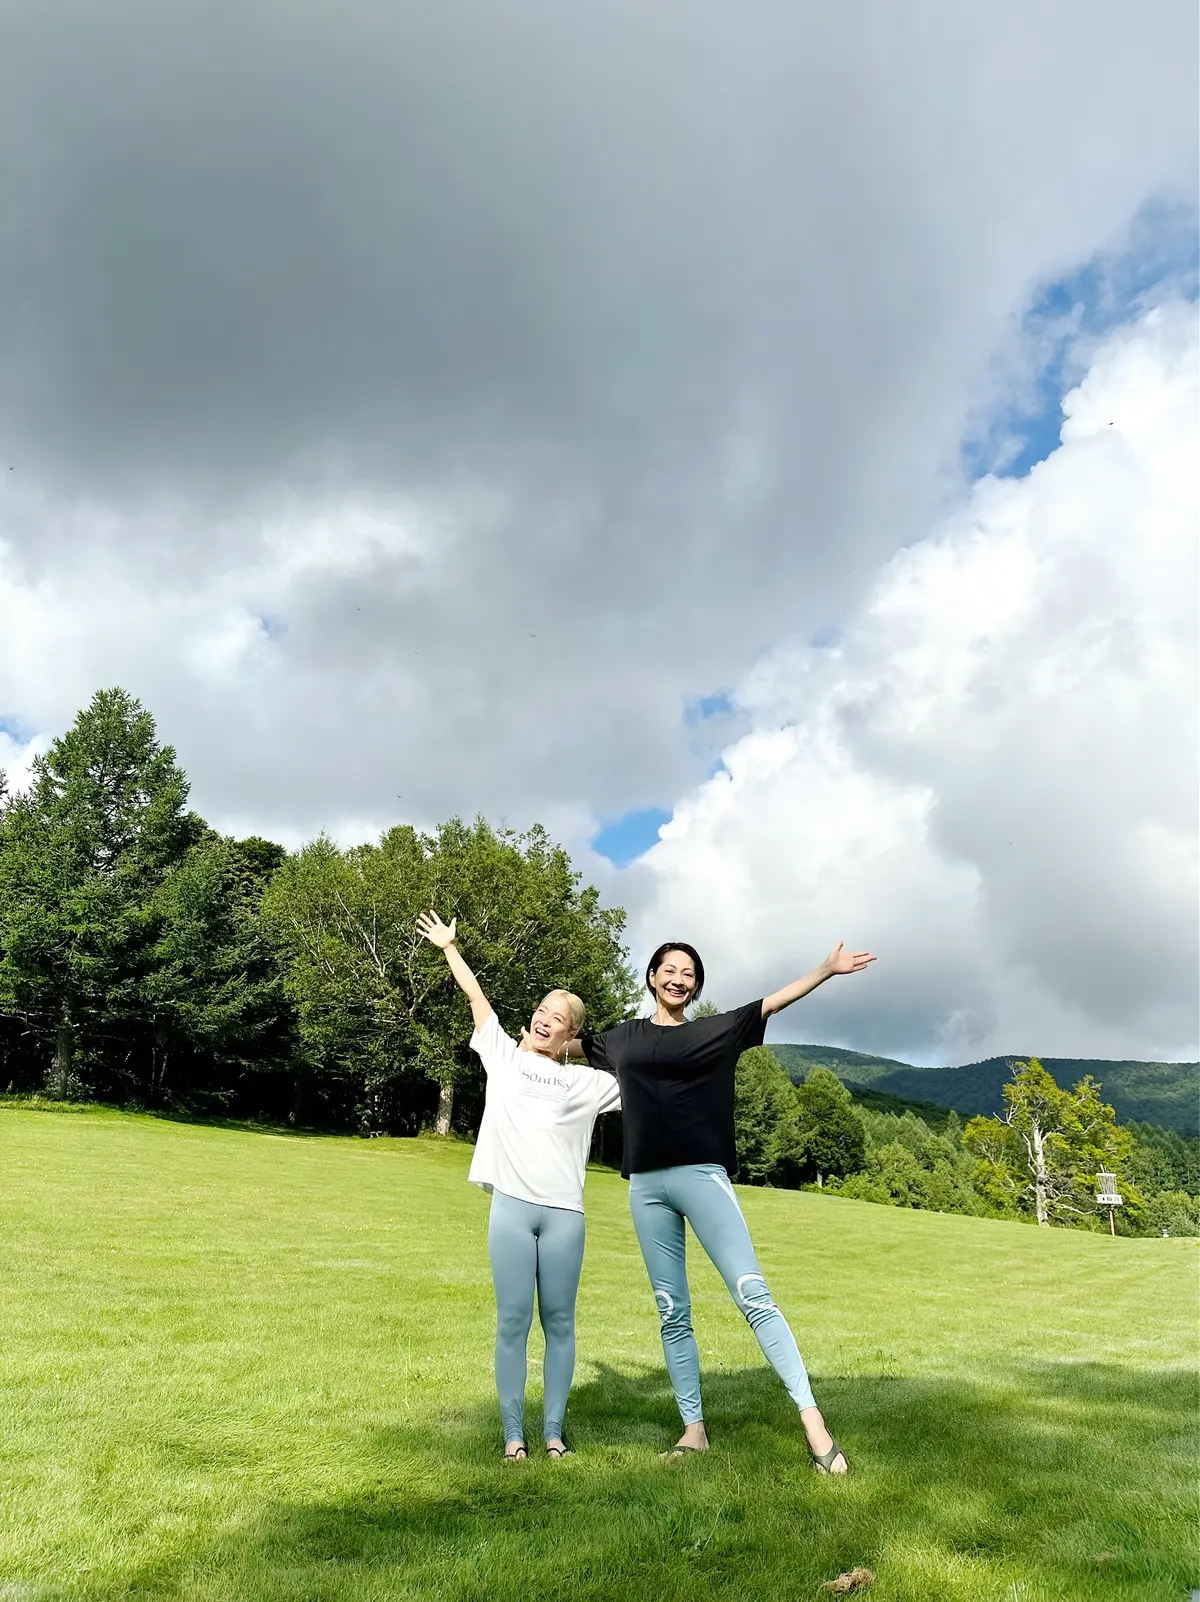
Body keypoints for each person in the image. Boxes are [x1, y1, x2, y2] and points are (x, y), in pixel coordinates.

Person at [574, 938, 876, 1473]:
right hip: (644, 1186)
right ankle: (694, 1430)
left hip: (702, 1176)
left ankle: (815, 1427)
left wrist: (825, 969)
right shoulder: (622, 1040)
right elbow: (568, 1046)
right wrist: (532, 1040)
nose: (678, 979)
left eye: (688, 973)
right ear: (650, 977)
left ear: (696, 986)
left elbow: (772, 1003)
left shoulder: (714, 1031)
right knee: (672, 1311)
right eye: (668, 970)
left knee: (752, 1294)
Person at [416, 908, 620, 1462]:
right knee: (512, 1321)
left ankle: (553, 1433)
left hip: (563, 1215)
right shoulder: (502, 1055)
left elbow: (644, 1075)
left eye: (559, 1016)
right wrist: (451, 948)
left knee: (558, 1322)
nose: (544, 1017)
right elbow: (477, 1001)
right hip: (510, 1207)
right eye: (541, 1009)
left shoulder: (586, 1083)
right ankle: (514, 1435)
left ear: (571, 1035)